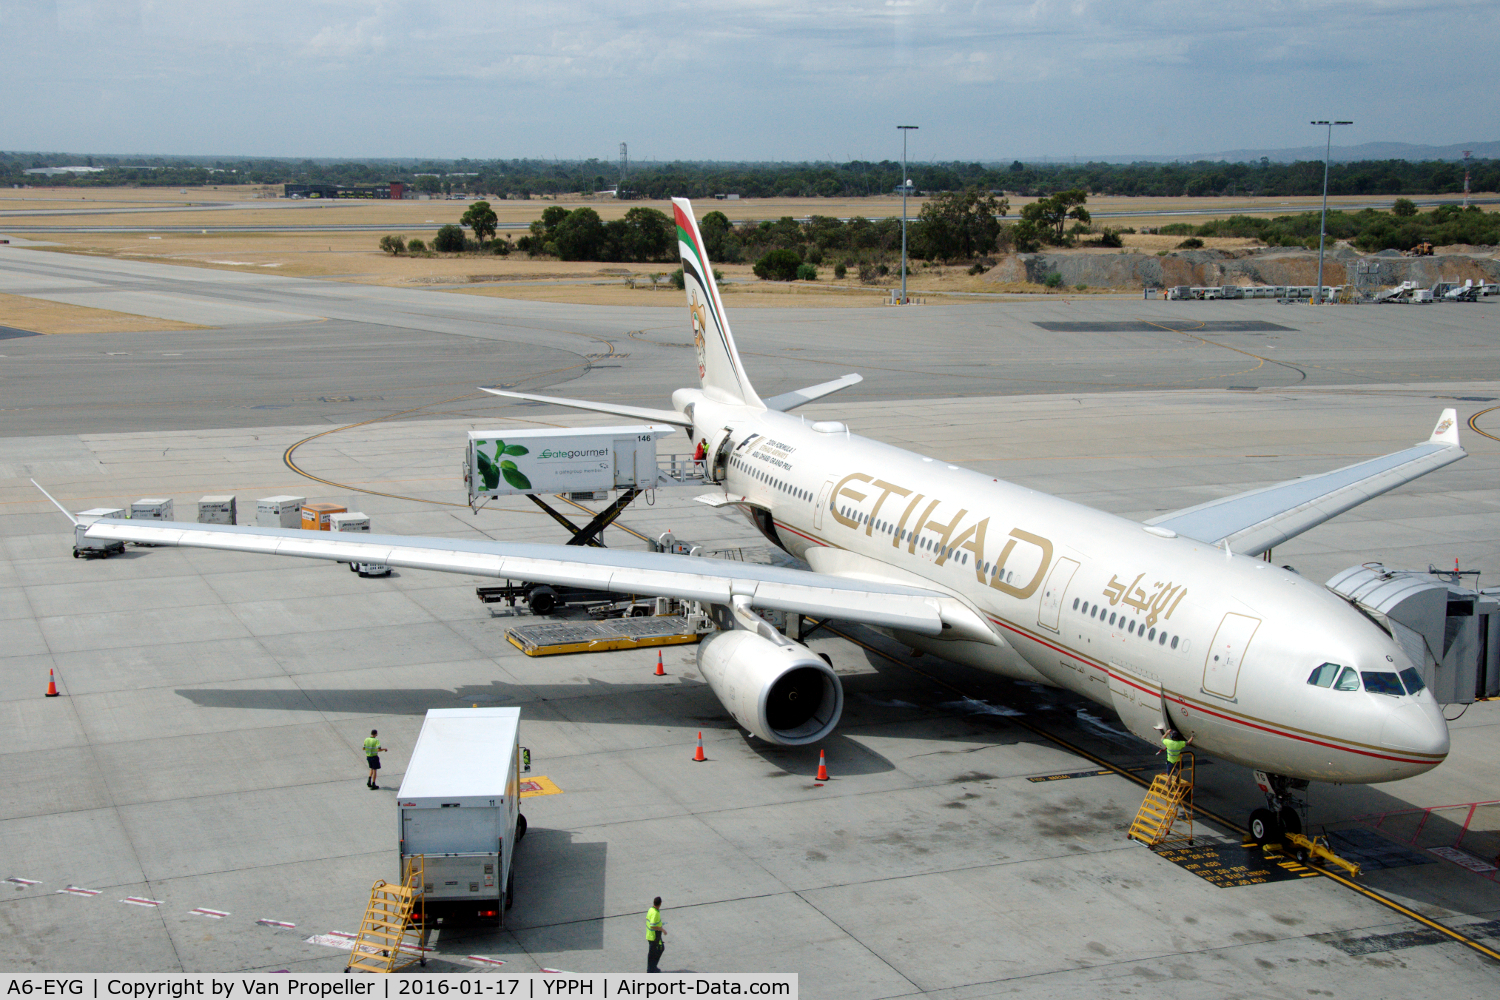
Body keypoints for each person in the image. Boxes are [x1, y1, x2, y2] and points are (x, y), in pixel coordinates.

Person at [645, 896, 665, 973]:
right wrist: (662, 929)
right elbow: (652, 925)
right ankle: (652, 969)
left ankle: (651, 968)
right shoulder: (655, 913)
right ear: (660, 904)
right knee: (658, 950)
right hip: (654, 936)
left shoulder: (651, 909)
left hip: (650, 935)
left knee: (652, 952)